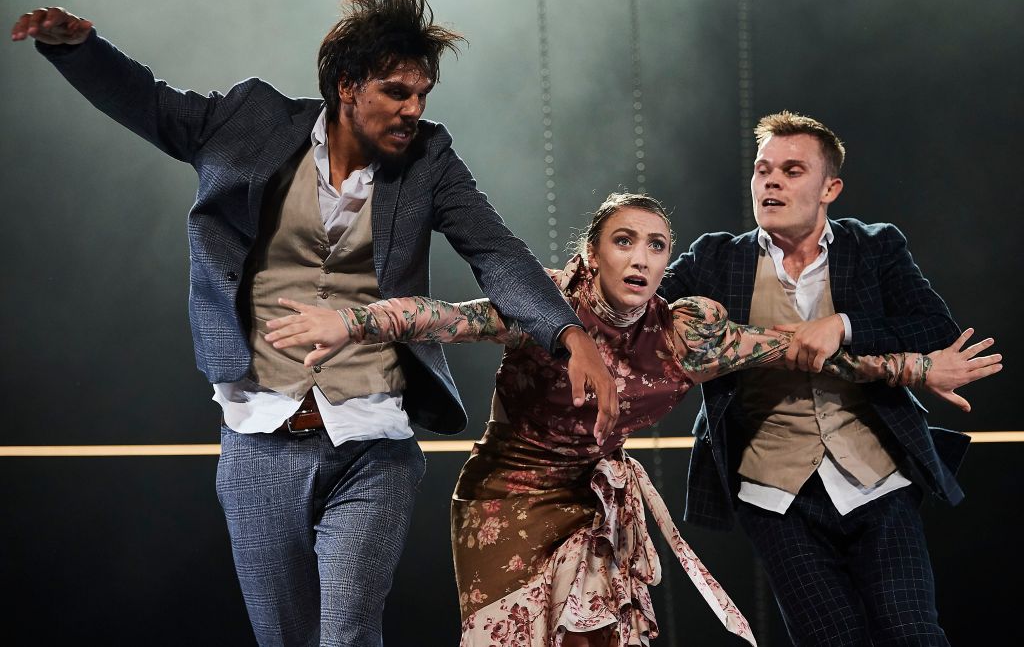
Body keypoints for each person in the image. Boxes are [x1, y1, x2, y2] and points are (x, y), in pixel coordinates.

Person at [10, 0, 619, 646]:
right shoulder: (251, 122)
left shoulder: (430, 161)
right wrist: (79, 50)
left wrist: (568, 334)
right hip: (258, 440)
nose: (414, 108)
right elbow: (152, 105)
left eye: (422, 94)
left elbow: (496, 251)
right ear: (348, 86)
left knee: (348, 636)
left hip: (372, 443)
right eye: (397, 91)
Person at [262, 191, 999, 647]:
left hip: (596, 501)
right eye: (625, 240)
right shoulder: (545, 305)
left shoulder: (686, 334)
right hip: (506, 501)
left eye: (656, 245)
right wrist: (350, 322)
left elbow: (806, 353)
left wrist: (917, 368)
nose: (642, 258)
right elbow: (443, 318)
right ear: (592, 253)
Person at [659, 111, 981, 645]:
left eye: (792, 171)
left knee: (912, 633)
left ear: (830, 188)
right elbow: (642, 315)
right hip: (774, 495)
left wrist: (844, 325)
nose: (772, 183)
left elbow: (934, 327)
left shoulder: (874, 246)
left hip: (879, 482)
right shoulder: (716, 257)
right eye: (763, 170)